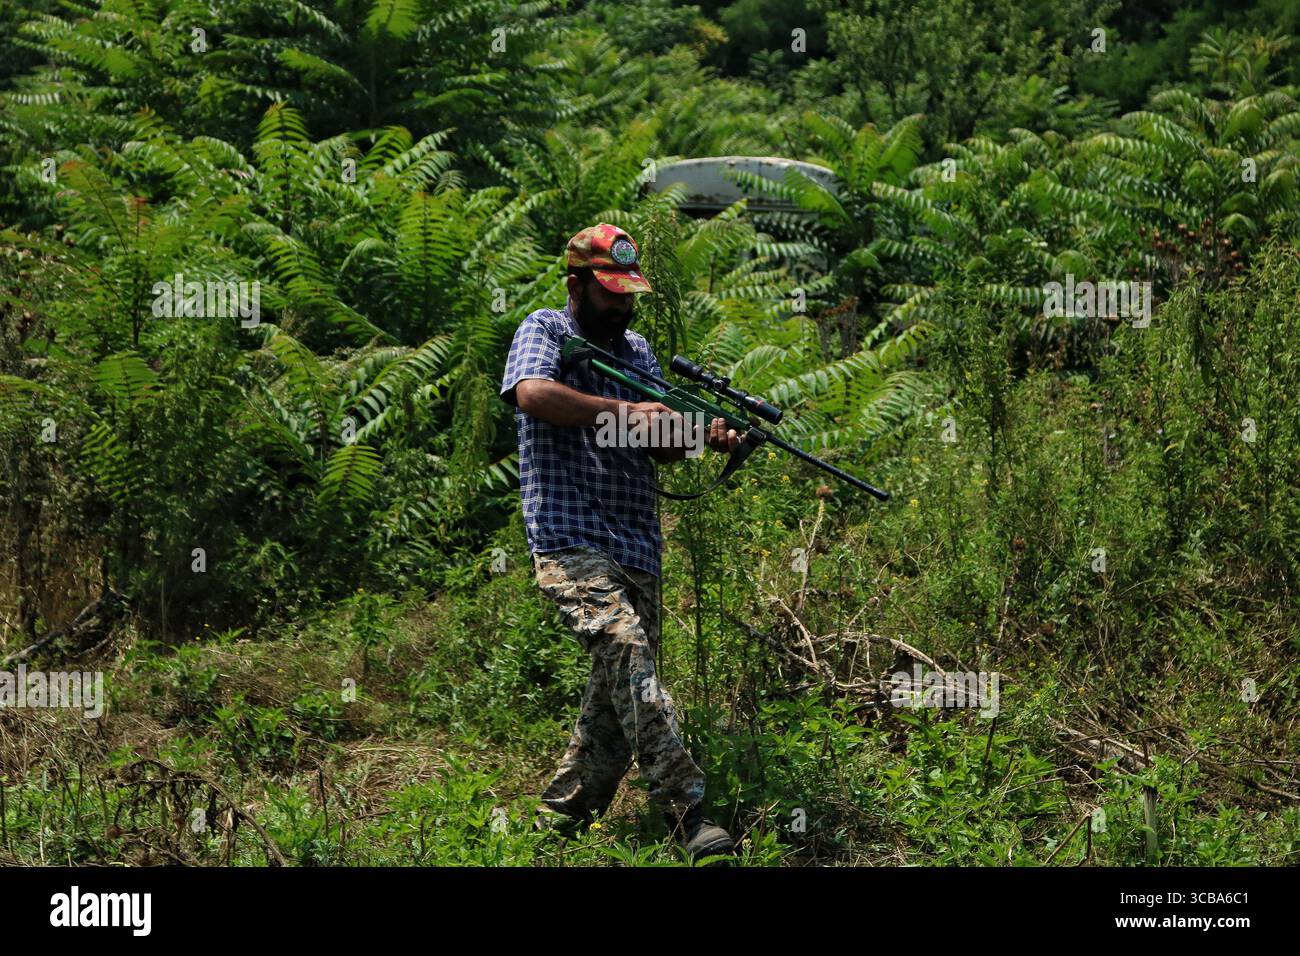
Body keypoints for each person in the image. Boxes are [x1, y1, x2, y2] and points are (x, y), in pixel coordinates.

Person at [499, 223, 739, 862]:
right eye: (610, 292)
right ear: (576, 282)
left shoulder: (637, 354)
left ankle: (562, 820)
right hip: (569, 536)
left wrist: (700, 436)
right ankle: (689, 811)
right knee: (629, 657)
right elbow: (533, 395)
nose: (623, 305)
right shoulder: (545, 330)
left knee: (614, 699)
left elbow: (656, 446)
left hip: (635, 542)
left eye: (629, 293)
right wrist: (627, 413)